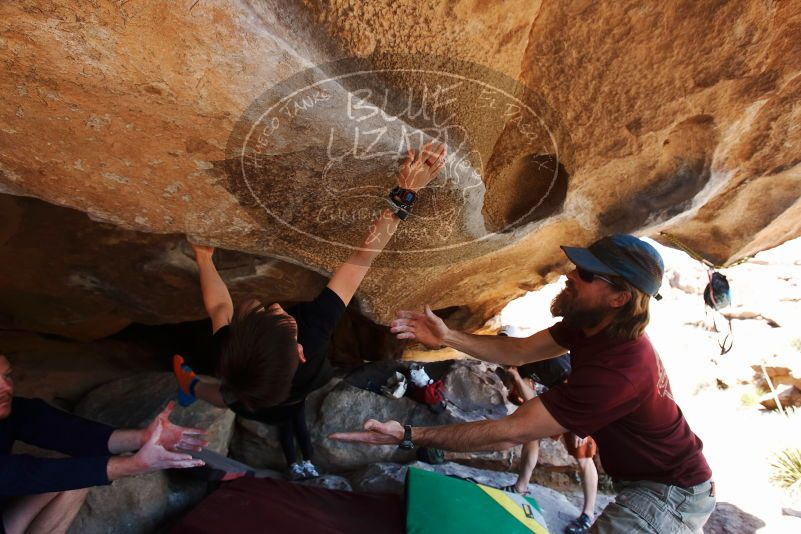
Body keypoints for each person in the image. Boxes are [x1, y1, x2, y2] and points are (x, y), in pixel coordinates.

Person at [331, 234, 716, 533]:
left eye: (585, 274)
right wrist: (448, 336)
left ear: (619, 297)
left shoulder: (620, 372)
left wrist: (410, 435)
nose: (569, 274)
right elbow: (517, 353)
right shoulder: (592, 327)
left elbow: (509, 433)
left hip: (668, 494)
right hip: (656, 485)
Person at [174, 142, 446, 481]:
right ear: (301, 351)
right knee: (236, 396)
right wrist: (406, 192)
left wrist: (203, 259)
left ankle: (192, 386)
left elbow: (218, 307)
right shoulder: (313, 330)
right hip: (285, 394)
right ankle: (194, 388)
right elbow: (361, 259)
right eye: (282, 318)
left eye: (271, 314)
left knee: (230, 396)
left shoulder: (231, 350)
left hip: (260, 397)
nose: (276, 305)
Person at [0, 354, 207, 534]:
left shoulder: (13, 411)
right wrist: (132, 465)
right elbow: (18, 474)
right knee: (69, 474)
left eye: (7, 375)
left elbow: (73, 434)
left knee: (75, 479)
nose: (6, 387)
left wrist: (143, 438)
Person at [505, 365, 598, 534]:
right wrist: (517, 377)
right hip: (550, 408)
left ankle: (588, 514)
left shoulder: (557, 363)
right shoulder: (523, 365)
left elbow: (584, 388)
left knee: (583, 455)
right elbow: (531, 400)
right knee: (531, 437)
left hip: (576, 407)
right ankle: (520, 487)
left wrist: (583, 425)